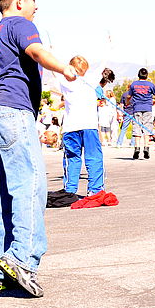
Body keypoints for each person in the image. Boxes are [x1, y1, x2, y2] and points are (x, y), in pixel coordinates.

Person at [0, 0, 78, 297]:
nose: (36, 6)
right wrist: (64, 69)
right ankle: (22, 259)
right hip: (13, 113)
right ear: (18, 2)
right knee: (30, 187)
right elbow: (39, 52)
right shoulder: (19, 24)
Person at [54, 55, 107, 200]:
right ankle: (95, 191)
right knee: (94, 157)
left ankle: (70, 190)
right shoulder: (91, 79)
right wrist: (109, 44)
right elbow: (103, 61)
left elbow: (53, 70)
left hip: (71, 127)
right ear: (86, 69)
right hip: (89, 125)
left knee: (72, 159)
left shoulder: (63, 81)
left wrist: (51, 51)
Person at [125, 68, 155, 159]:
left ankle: (137, 147)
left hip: (137, 108)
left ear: (138, 75)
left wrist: (127, 102)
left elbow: (129, 96)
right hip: (147, 108)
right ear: (146, 75)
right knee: (147, 127)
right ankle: (146, 147)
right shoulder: (150, 85)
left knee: (137, 128)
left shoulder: (134, 84)